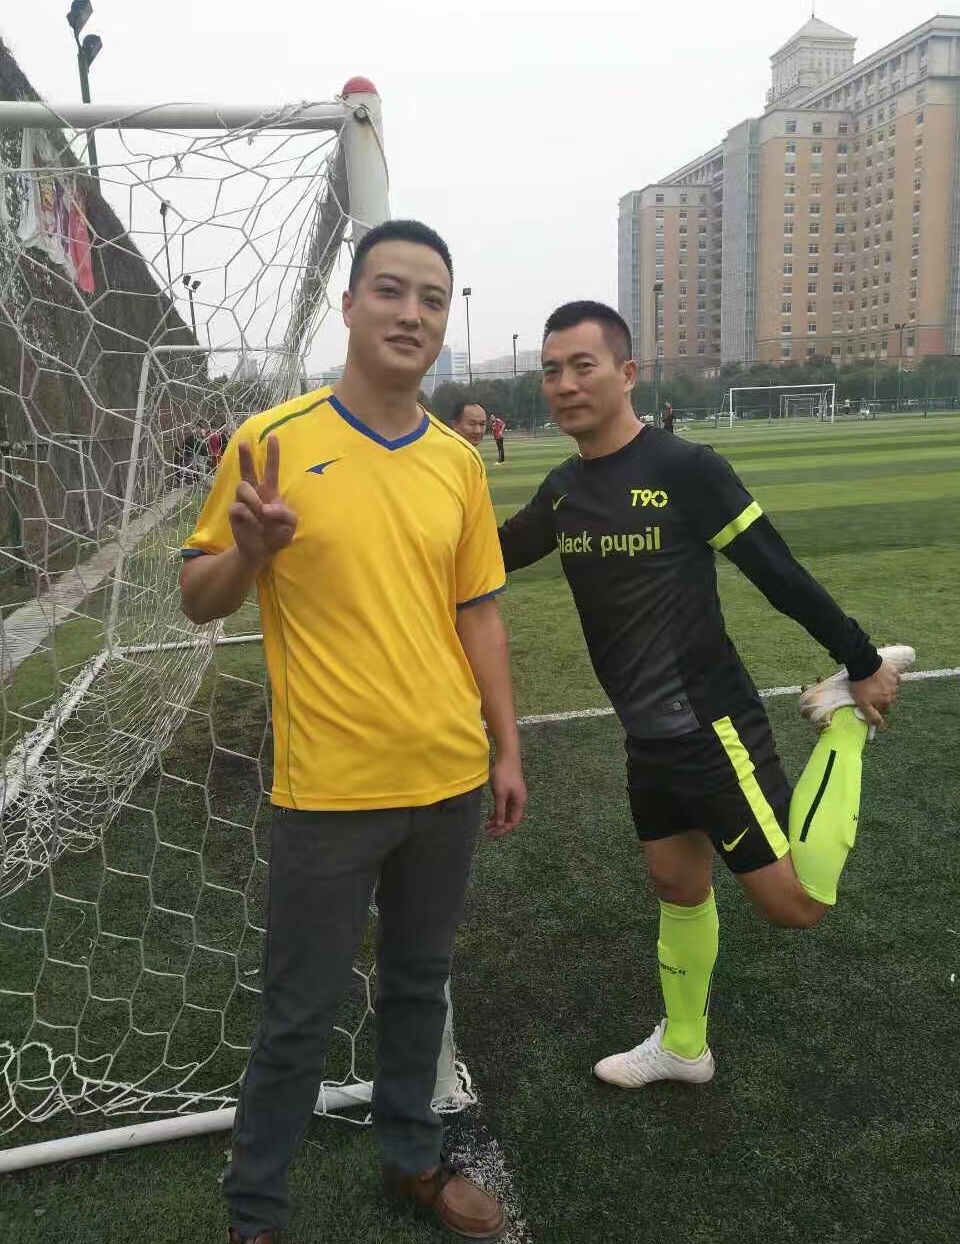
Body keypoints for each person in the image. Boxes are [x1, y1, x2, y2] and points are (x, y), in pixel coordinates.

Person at [180, 220, 525, 1244]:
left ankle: (411, 1156)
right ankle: (256, 1212)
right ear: (349, 304)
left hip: (447, 778)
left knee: (420, 985)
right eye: (391, 290)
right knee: (299, 1012)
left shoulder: (457, 461)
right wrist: (250, 553)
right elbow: (198, 599)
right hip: (329, 788)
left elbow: (478, 611)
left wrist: (506, 745)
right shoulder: (272, 441)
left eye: (432, 297)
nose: (412, 313)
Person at [498, 299, 912, 1091]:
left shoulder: (685, 469)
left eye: (582, 365)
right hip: (646, 737)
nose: (564, 384)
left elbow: (775, 569)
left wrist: (859, 660)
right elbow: (489, 554)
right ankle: (685, 1047)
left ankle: (843, 724)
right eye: (551, 371)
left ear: (626, 373)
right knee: (676, 883)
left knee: (797, 903)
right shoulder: (561, 492)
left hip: (710, 724)